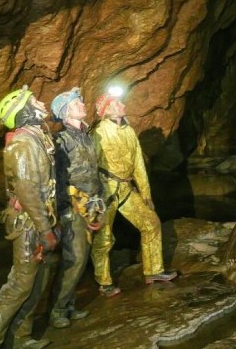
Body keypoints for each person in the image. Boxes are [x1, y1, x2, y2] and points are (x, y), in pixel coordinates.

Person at [0, 86, 59, 349]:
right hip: (28, 224)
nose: (41, 102)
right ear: (25, 111)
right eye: (34, 100)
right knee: (20, 285)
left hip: (39, 218)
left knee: (37, 283)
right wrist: (45, 230)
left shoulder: (36, 137)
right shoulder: (23, 143)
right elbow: (26, 189)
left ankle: (20, 339)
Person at [90, 87, 177, 296]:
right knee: (104, 237)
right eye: (118, 103)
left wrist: (146, 195)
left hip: (126, 189)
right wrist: (92, 199)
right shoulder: (98, 133)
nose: (123, 105)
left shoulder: (128, 131)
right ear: (107, 111)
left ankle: (154, 270)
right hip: (106, 190)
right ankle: (104, 282)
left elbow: (138, 164)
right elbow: (90, 165)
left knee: (151, 222)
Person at [48, 87, 106, 328]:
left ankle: (69, 305)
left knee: (80, 259)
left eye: (80, 102)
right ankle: (57, 310)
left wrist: (100, 200)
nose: (82, 105)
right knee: (75, 257)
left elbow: (94, 171)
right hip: (72, 204)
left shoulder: (88, 136)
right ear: (64, 113)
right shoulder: (61, 140)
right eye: (75, 104)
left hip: (91, 203)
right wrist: (64, 209)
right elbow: (58, 178)